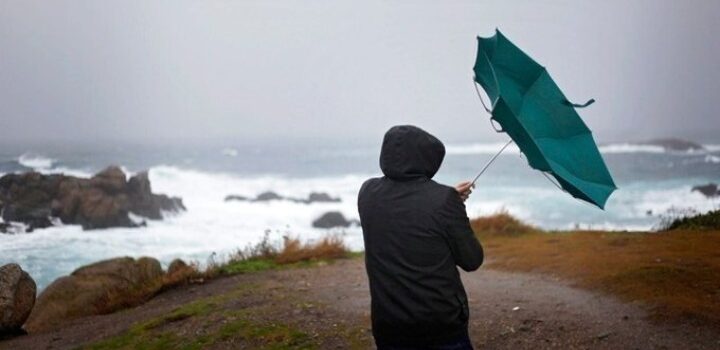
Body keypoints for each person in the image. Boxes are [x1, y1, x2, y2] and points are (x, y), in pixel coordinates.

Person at [358, 125, 484, 349]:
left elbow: (406, 208)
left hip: (388, 324)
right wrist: (451, 204)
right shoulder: (443, 201)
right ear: (429, 160)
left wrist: (449, 200)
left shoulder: (367, 193)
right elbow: (472, 260)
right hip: (439, 326)